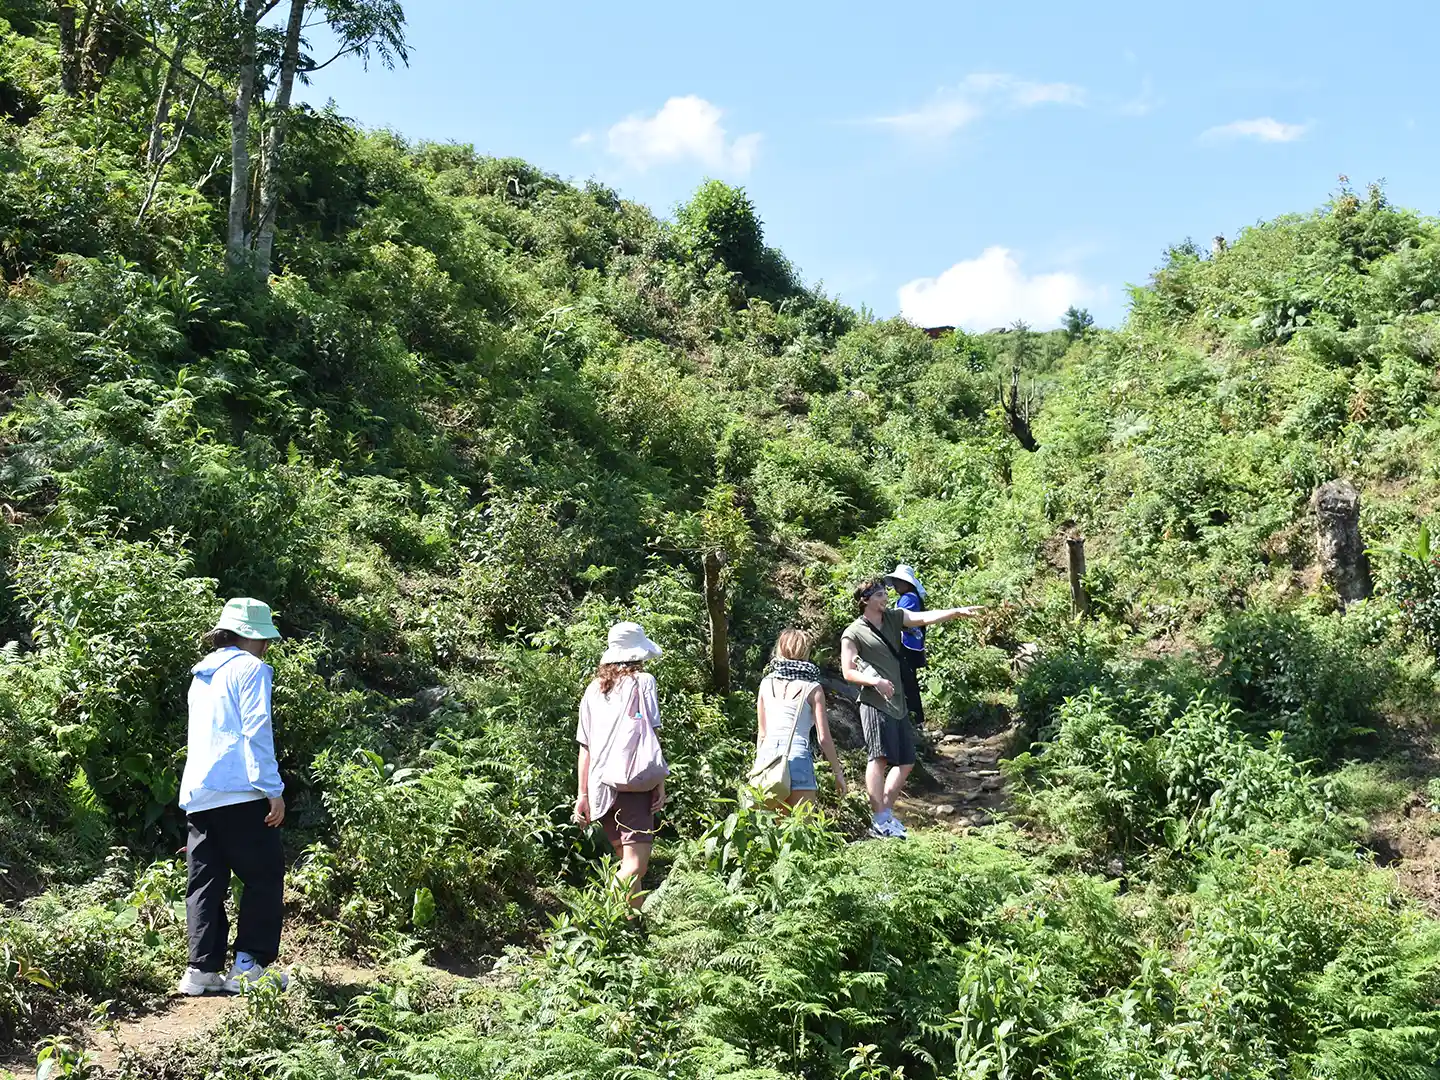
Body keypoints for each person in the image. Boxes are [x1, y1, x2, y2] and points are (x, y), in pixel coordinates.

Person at [176, 597, 288, 996]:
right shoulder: (251, 668)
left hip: (200, 793)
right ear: (251, 636)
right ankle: (248, 966)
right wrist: (272, 789)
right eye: (264, 638)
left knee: (205, 882)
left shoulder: (202, 673)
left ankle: (201, 970)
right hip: (241, 791)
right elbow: (256, 729)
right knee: (264, 876)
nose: (267, 646)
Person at [841, 580, 981, 839]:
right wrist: (874, 682)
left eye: (885, 593)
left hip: (898, 703)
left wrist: (956, 612)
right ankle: (879, 818)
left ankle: (884, 813)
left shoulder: (894, 618)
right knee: (879, 758)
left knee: (906, 761)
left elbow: (923, 618)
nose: (885, 598)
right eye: (880, 595)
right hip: (874, 702)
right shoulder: (854, 632)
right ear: (866, 600)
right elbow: (848, 671)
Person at [574, 621, 668, 909]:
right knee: (636, 866)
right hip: (633, 782)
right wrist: (659, 782)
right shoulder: (644, 681)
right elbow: (651, 735)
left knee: (628, 865)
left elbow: (585, 746)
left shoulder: (593, 690)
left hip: (601, 788)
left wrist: (582, 795)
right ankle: (600, 917)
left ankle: (631, 927)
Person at [754, 629, 848, 809]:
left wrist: (758, 765)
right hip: (798, 757)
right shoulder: (813, 688)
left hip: (769, 759)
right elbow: (823, 738)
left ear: (780, 649)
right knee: (801, 824)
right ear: (806, 653)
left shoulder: (766, 683)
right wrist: (838, 773)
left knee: (773, 824)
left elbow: (762, 733)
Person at [884, 564, 929, 730]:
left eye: (899, 581)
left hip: (907, 646)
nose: (896, 584)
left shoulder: (908, 598)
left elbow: (901, 621)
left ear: (908, 583)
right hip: (912, 646)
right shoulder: (911, 597)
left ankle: (915, 721)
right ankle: (915, 720)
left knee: (908, 683)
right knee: (909, 682)